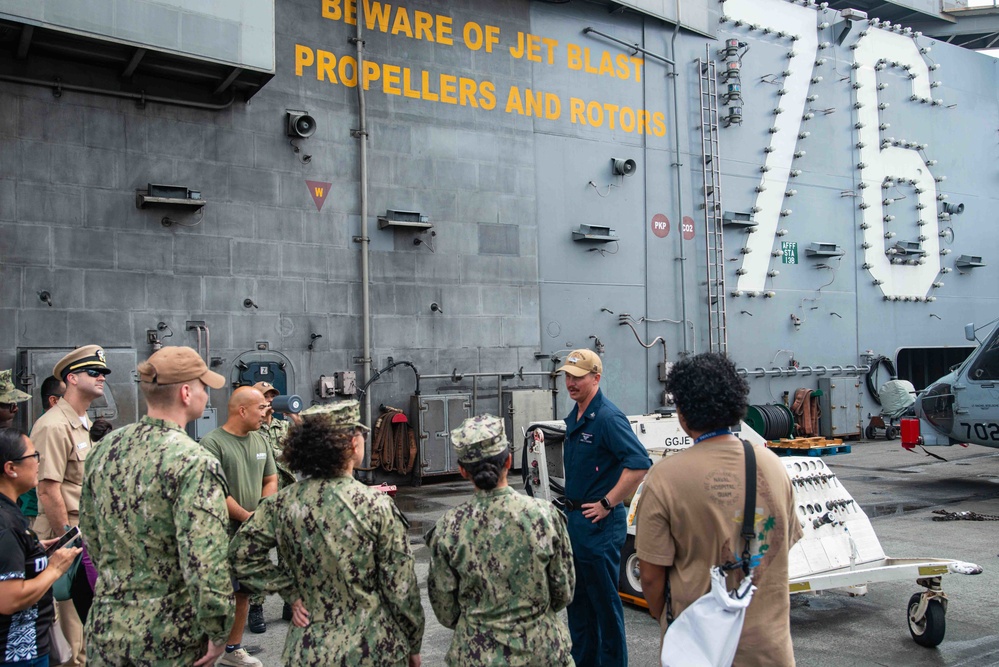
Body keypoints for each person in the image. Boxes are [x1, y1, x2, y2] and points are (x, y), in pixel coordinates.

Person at [635, 352, 803, 665]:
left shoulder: (665, 477)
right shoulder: (770, 464)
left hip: (699, 649)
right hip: (769, 650)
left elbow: (650, 578)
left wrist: (669, 620)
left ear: (682, 413)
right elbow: (783, 544)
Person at [229, 400, 424, 667]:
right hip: (371, 647)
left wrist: (290, 592)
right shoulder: (376, 506)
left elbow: (240, 554)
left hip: (308, 648)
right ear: (353, 444)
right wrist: (413, 644)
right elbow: (401, 588)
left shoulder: (282, 504)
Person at [79, 346, 234, 666]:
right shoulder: (195, 462)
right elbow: (205, 561)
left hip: (107, 630)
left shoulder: (105, 449)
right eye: (204, 386)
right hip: (167, 639)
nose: (207, 394)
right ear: (187, 392)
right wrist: (219, 631)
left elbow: (91, 536)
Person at [426, 414, 574, 666]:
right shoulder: (545, 516)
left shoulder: (449, 527)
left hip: (476, 656)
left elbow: (445, 610)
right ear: (509, 460)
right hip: (542, 653)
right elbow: (563, 592)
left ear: (463, 471)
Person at [557, 349, 651, 667]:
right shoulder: (578, 415)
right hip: (577, 524)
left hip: (599, 526)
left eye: (578, 377)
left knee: (606, 609)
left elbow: (639, 464)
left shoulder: (608, 418)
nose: (571, 383)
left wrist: (608, 503)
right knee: (579, 606)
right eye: (568, 376)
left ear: (596, 378)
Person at [32, 346, 110, 667]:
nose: (102, 377)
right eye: (94, 372)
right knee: (72, 641)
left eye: (103, 372)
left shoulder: (82, 422)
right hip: (68, 542)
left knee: (89, 633)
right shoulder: (53, 425)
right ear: (72, 379)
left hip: (87, 537)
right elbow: (49, 489)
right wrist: (69, 541)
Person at [199, 387, 275, 667]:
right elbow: (216, 491)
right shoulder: (212, 444)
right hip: (221, 531)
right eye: (260, 408)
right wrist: (248, 516)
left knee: (243, 591)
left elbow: (271, 479)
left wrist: (262, 512)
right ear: (242, 410)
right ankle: (204, 652)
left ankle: (233, 649)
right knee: (217, 593)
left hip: (252, 531)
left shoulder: (260, 440)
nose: (266, 412)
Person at [0, 427, 82, 667]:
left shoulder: (10, 515)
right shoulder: (6, 524)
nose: (38, 462)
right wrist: (54, 570)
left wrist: (35, 549)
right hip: (16, 654)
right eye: (33, 456)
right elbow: (9, 599)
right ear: (10, 468)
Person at [248, 381, 299, 629]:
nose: (269, 400)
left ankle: (289, 602)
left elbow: (308, 442)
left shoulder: (284, 427)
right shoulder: (248, 429)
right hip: (259, 500)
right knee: (259, 554)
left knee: (288, 554)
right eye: (264, 396)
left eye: (272, 396)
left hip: (287, 498)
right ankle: (256, 607)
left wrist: (293, 415)